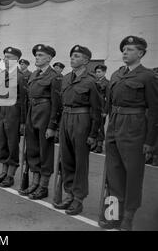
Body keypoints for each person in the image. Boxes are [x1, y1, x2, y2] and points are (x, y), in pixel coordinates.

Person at [98, 36, 158, 231]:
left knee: (133, 175)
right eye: (124, 49)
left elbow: (155, 110)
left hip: (135, 128)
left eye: (130, 49)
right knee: (113, 174)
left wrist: (150, 141)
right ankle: (114, 215)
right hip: (114, 125)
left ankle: (128, 218)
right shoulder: (116, 74)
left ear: (140, 53)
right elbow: (108, 105)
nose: (125, 52)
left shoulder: (147, 76)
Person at [54, 45, 101, 215]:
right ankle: (69, 194)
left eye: (77, 56)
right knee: (66, 160)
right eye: (72, 55)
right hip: (66, 119)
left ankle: (78, 199)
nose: (72, 58)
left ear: (86, 60)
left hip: (82, 121)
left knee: (80, 162)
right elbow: (61, 104)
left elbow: (97, 109)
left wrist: (94, 133)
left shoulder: (91, 80)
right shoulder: (66, 78)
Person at [18, 44, 62, 199]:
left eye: (41, 55)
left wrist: (52, 125)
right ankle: (34, 183)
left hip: (45, 113)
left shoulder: (55, 76)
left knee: (45, 151)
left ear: (49, 58)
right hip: (32, 113)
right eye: (36, 55)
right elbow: (27, 99)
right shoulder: (33, 75)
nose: (37, 57)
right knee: (33, 150)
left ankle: (43, 186)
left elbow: (57, 103)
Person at [0, 47, 26, 187]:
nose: (5, 59)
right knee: (2, 143)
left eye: (9, 57)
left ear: (16, 60)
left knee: (12, 144)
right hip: (3, 112)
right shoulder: (2, 75)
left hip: (14, 113)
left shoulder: (21, 77)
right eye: (4, 57)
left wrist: (22, 121)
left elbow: (23, 101)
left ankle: (10, 174)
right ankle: (3, 172)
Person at [93, 64, 109, 154]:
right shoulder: (94, 82)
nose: (97, 73)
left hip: (101, 108)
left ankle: (99, 145)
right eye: (96, 72)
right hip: (93, 107)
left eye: (99, 72)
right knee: (93, 126)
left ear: (104, 72)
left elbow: (108, 99)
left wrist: (105, 111)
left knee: (100, 127)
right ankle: (94, 144)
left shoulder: (107, 83)